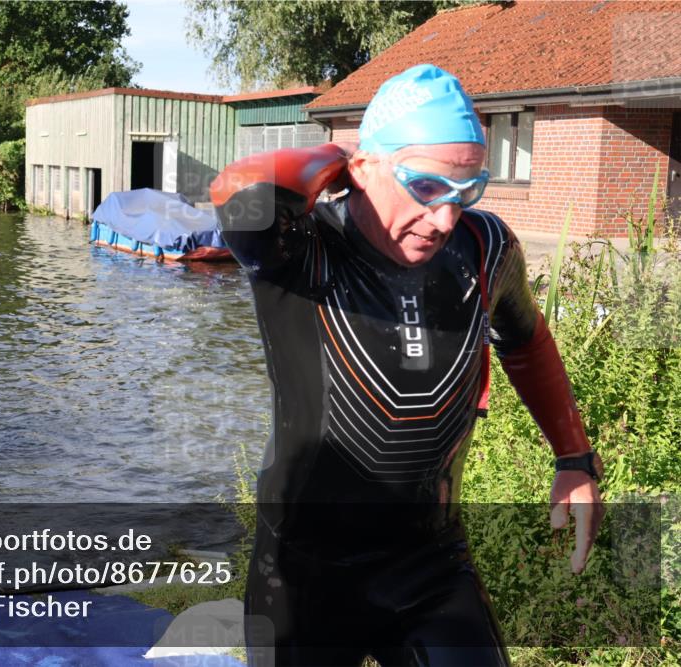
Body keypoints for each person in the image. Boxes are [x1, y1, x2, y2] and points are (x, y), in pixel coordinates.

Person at [210, 64, 604, 666]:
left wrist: (574, 457)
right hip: (302, 572)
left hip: (430, 563)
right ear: (364, 169)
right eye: (426, 187)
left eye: (467, 191)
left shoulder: (485, 250)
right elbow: (241, 190)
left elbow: (525, 340)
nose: (446, 218)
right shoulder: (301, 250)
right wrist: (338, 153)